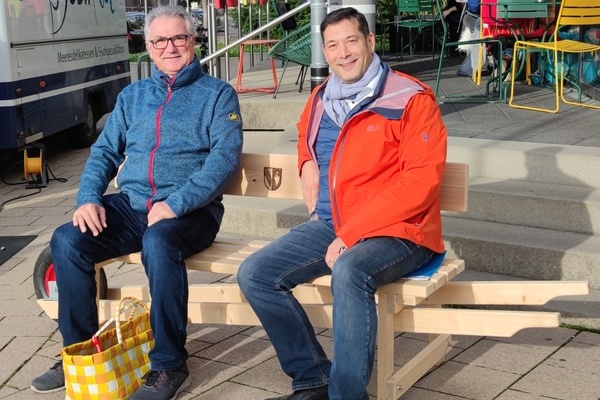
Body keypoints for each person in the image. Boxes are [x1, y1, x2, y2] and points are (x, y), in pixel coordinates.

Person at [30, 5, 243, 400]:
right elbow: (104, 152)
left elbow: (224, 161)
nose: (170, 47)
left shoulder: (218, 94)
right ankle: (79, 352)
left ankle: (168, 365)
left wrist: (176, 203)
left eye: (178, 37)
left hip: (192, 212)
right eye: (160, 40)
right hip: (133, 205)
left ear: (193, 41)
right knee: (67, 240)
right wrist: (88, 198)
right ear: (148, 46)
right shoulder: (133, 96)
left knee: (158, 242)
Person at [237, 7, 447, 400]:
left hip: (401, 230)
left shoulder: (410, 99)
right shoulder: (322, 97)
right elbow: (305, 133)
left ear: (370, 41)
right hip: (333, 223)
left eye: (351, 41)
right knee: (255, 273)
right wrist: (305, 162)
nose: (343, 52)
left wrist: (352, 234)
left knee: (349, 271)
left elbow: (419, 184)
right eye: (332, 45)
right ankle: (313, 378)